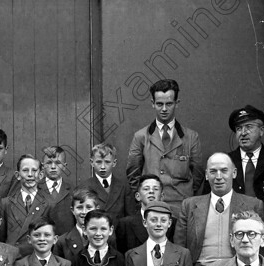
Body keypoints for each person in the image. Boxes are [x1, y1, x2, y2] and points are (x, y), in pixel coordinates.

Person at [175, 152, 264, 266]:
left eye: (224, 171)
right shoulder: (190, 206)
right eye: (213, 171)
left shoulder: (253, 205)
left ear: (234, 173)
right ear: (206, 175)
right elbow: (179, 247)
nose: (218, 177)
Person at [125, 79, 204, 229]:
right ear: (152, 103)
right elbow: (133, 173)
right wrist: (148, 198)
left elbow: (198, 175)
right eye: (160, 104)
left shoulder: (191, 137)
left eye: (169, 104)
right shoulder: (141, 137)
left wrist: (183, 196)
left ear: (177, 103)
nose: (164, 109)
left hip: (181, 211)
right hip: (152, 211)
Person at [0, 155, 52, 256]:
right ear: (18, 175)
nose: (30, 175)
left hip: (37, 258)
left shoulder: (49, 203)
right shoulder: (6, 203)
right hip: (13, 259)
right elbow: (1, 237)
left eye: (34, 170)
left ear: (40, 175)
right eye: (25, 170)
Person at [115, 174, 173, 254]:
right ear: (138, 196)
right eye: (146, 189)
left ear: (162, 196)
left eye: (155, 189)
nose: (151, 192)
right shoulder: (125, 224)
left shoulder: (172, 223)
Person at [78, 143, 130, 220]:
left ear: (114, 163)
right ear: (91, 162)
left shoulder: (124, 187)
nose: (103, 167)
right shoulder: (84, 187)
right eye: (98, 162)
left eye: (107, 162)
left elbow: (129, 218)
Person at [53, 188, 101, 263]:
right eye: (79, 207)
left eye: (89, 207)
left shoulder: (107, 238)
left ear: (97, 209)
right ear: (72, 210)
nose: (84, 212)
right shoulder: (62, 242)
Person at [41, 145, 74, 235]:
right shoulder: (35, 189)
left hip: (65, 243)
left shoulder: (73, 191)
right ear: (43, 166)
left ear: (64, 166)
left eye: (58, 163)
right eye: (49, 163)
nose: (53, 167)